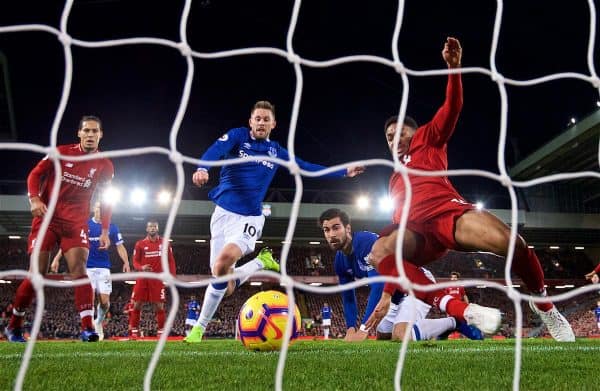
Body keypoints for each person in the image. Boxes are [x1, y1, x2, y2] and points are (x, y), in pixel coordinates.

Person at [365, 37, 574, 342]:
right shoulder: (393, 180)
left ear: (414, 131)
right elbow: (395, 239)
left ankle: (542, 302)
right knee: (378, 249)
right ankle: (454, 307)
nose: (394, 137)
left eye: (400, 131)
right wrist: (387, 289)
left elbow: (453, 107)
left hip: (447, 214)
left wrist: (454, 68)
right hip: (416, 233)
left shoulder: (428, 138)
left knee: (512, 243)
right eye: (388, 136)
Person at [184, 100, 364, 343]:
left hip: (249, 218)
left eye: (266, 119)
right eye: (257, 118)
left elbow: (305, 167)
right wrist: (203, 168)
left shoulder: (276, 151)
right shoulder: (238, 136)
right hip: (222, 215)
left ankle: (198, 329)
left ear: (273, 124)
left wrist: (343, 171)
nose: (261, 123)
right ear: (251, 121)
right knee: (221, 280)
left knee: (224, 260)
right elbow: (214, 150)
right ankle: (260, 262)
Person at [4, 115, 114, 343]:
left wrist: (104, 229)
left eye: (95, 131)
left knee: (80, 271)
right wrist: (34, 199)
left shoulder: (105, 165)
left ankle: (87, 328)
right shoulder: (61, 152)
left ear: (101, 135)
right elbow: (35, 174)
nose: (91, 135)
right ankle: (14, 325)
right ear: (79, 133)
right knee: (37, 275)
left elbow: (106, 200)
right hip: (48, 218)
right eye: (87, 131)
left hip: (75, 223)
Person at [320, 208, 482, 342]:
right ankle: (439, 330)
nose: (331, 234)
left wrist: (363, 329)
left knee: (400, 335)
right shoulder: (339, 261)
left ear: (348, 228)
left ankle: (455, 322)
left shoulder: (364, 242)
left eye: (336, 228)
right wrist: (350, 328)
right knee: (383, 337)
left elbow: (379, 284)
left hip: (414, 283)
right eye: (326, 230)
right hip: (394, 296)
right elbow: (348, 297)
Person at [50, 201, 130, 340]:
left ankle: (98, 321)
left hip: (104, 267)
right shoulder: (85, 225)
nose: (101, 211)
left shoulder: (112, 227)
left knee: (105, 302)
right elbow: (71, 243)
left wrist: (126, 262)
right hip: (87, 267)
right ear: (94, 208)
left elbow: (120, 246)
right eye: (99, 208)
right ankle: (90, 328)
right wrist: (57, 258)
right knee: (89, 297)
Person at [128, 220, 176, 339]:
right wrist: (141, 267)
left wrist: (172, 276)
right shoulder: (140, 244)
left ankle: (160, 332)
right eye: (150, 226)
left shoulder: (165, 243)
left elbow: (170, 260)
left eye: (155, 226)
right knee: (136, 304)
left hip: (157, 278)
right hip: (143, 278)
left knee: (159, 306)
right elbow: (135, 261)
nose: (153, 228)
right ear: (147, 229)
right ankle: (134, 330)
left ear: (158, 228)